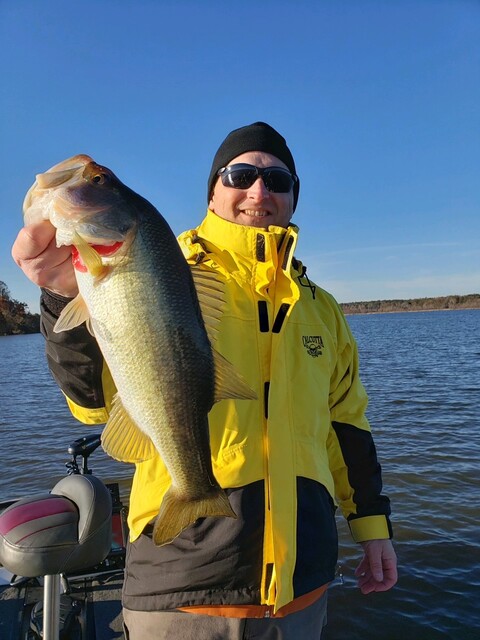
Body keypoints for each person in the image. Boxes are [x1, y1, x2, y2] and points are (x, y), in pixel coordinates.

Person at [12, 122, 397, 639]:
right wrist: (60, 297)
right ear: (214, 189)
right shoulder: (165, 264)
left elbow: (346, 422)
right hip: (182, 580)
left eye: (278, 181)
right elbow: (92, 406)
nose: (259, 191)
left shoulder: (322, 309)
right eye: (241, 174)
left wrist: (372, 529)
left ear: (293, 198)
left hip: (302, 584)